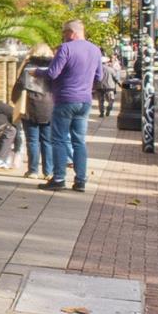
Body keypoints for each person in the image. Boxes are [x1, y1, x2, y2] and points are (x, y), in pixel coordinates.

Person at [45, 20, 105, 191]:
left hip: (65, 99)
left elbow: (52, 73)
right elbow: (99, 76)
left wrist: (38, 72)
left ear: (72, 32)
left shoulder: (66, 48)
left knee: (59, 139)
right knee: (79, 141)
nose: (63, 36)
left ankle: (59, 178)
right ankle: (80, 180)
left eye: (64, 33)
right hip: (85, 101)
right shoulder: (95, 49)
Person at [11, 42, 55, 181]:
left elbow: (19, 86)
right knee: (47, 141)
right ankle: (48, 171)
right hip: (50, 106)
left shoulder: (28, 66)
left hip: (31, 105)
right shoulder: (54, 66)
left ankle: (33, 170)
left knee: (32, 141)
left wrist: (15, 100)